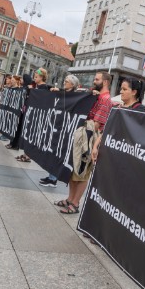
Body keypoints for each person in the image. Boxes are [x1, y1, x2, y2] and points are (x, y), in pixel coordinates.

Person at [56, 71, 113, 214]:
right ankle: (70, 199)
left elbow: (97, 124)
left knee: (82, 171)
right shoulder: (96, 95)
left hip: (89, 137)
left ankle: (75, 203)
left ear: (105, 82)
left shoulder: (106, 99)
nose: (94, 81)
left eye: (97, 79)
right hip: (83, 134)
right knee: (74, 169)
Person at [39, 74, 82, 187]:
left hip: (65, 130)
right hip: (56, 127)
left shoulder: (75, 96)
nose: (64, 82)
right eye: (65, 80)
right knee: (52, 152)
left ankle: (53, 179)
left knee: (58, 153)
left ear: (72, 84)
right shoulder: (63, 94)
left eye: (67, 81)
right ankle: (51, 176)